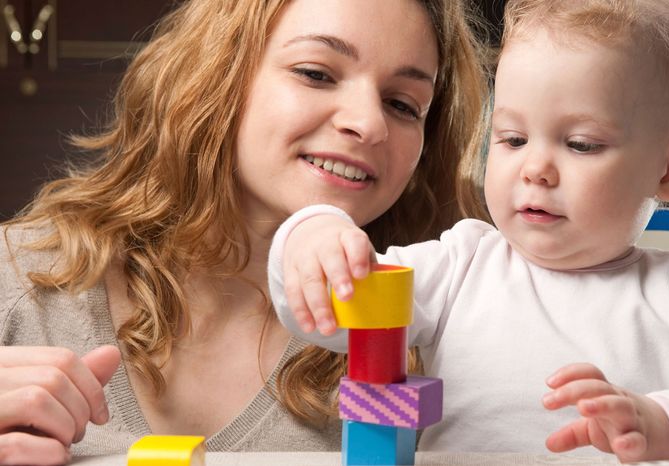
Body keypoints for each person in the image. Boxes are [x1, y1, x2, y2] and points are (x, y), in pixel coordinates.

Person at [268, 0, 669, 464]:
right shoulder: (462, 263)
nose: (535, 169)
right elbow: (336, 320)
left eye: (581, 144)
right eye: (513, 138)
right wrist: (312, 236)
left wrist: (663, 422)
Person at [0, 0, 488, 463]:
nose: (367, 123)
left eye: (403, 104)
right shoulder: (19, 282)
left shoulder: (443, 331)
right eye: (315, 74)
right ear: (218, 73)